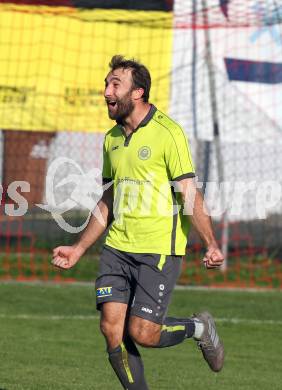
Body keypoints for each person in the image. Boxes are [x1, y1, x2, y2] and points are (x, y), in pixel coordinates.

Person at [52, 55, 225, 389]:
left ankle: (200, 328)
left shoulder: (168, 133)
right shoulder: (111, 139)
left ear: (138, 92)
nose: (106, 91)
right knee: (111, 329)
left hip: (159, 249)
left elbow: (189, 192)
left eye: (115, 83)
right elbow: (108, 201)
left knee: (143, 333)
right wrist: (77, 248)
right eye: (106, 83)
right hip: (117, 248)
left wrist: (211, 243)